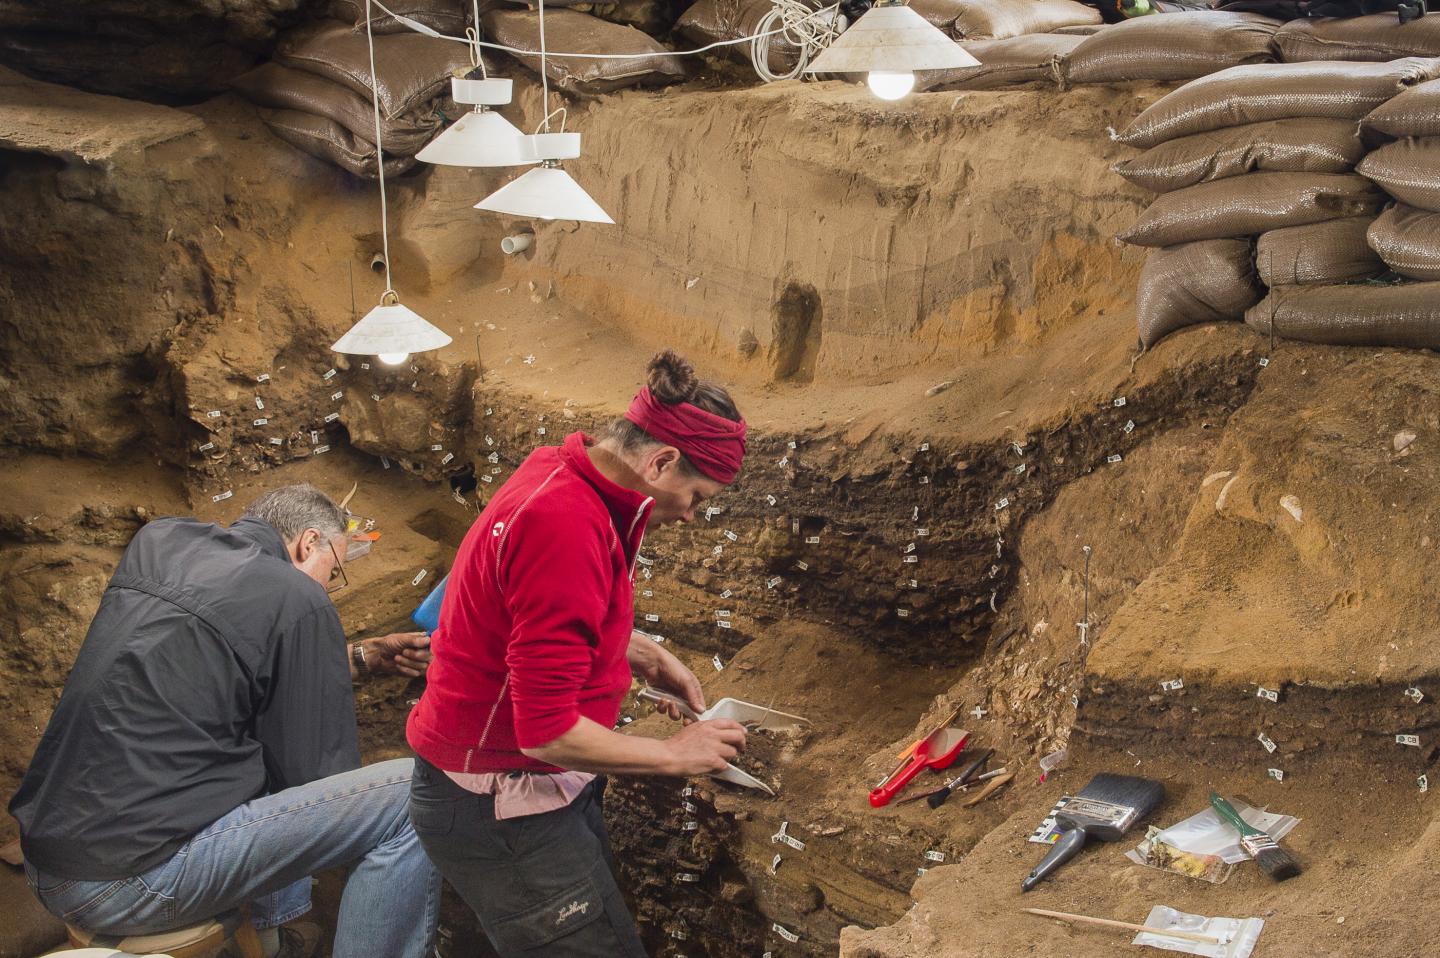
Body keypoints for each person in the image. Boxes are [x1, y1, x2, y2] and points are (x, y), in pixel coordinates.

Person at [407, 349, 749, 956]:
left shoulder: (565, 471)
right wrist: (673, 754)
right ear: (662, 460)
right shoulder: (563, 524)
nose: (693, 516)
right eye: (698, 496)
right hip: (501, 809)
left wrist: (628, 648)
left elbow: (520, 614)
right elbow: (543, 730)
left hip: (518, 793)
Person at [9, 484, 441, 958]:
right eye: (334, 570)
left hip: (47, 860)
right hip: (126, 885)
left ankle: (272, 941)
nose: (327, 587)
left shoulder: (160, 543)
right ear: (308, 543)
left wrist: (358, 657)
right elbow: (319, 781)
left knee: (248, 739)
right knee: (409, 797)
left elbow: (231, 671)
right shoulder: (299, 596)